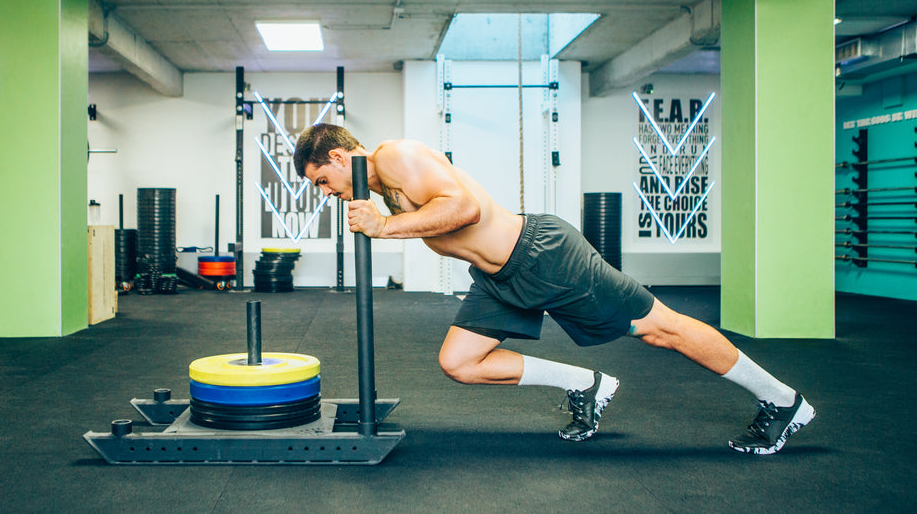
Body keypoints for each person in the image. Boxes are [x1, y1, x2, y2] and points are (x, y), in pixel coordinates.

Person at [293, 123, 815, 455]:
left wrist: (384, 228)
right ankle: (588, 384)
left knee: (662, 329)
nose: (326, 193)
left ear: (339, 159)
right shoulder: (383, 187)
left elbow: (464, 208)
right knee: (460, 361)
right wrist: (384, 220)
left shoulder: (394, 156)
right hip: (501, 279)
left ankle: (783, 400)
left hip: (544, 256)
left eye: (321, 181)